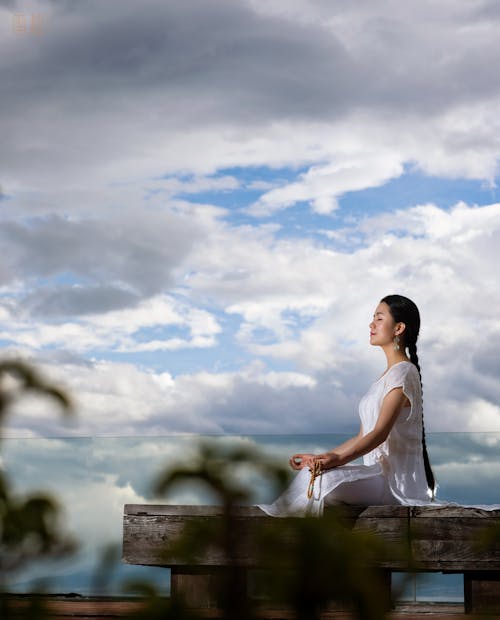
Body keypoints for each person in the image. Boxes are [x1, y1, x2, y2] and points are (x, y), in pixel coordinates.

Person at [258, 294, 436, 517]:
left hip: (394, 484)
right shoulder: (387, 377)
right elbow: (362, 436)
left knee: (323, 481)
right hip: (376, 476)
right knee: (310, 473)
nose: (371, 324)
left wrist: (338, 460)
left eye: (379, 318)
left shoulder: (404, 373)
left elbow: (379, 434)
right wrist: (321, 458)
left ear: (398, 328)